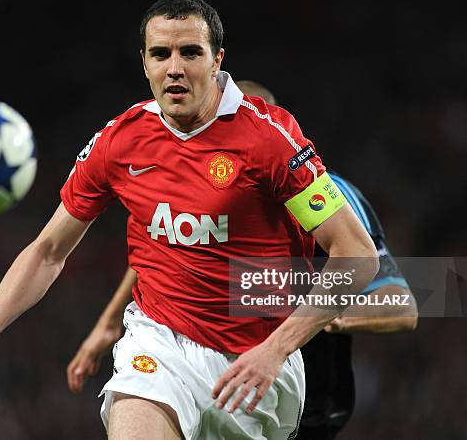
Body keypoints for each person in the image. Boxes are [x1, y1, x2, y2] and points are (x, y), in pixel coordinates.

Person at [0, 0, 379, 440]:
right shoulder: (120, 141)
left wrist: (277, 349)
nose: (175, 68)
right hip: (157, 344)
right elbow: (48, 251)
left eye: (190, 52)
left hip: (256, 362)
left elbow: (357, 255)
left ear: (217, 59)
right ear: (145, 63)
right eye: (161, 54)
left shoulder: (270, 140)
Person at [67, 82, 418, 440]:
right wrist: (109, 322)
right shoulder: (212, 192)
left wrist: (331, 316)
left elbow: (402, 306)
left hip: (304, 404)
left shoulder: (332, 199)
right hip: (214, 378)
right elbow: (162, 252)